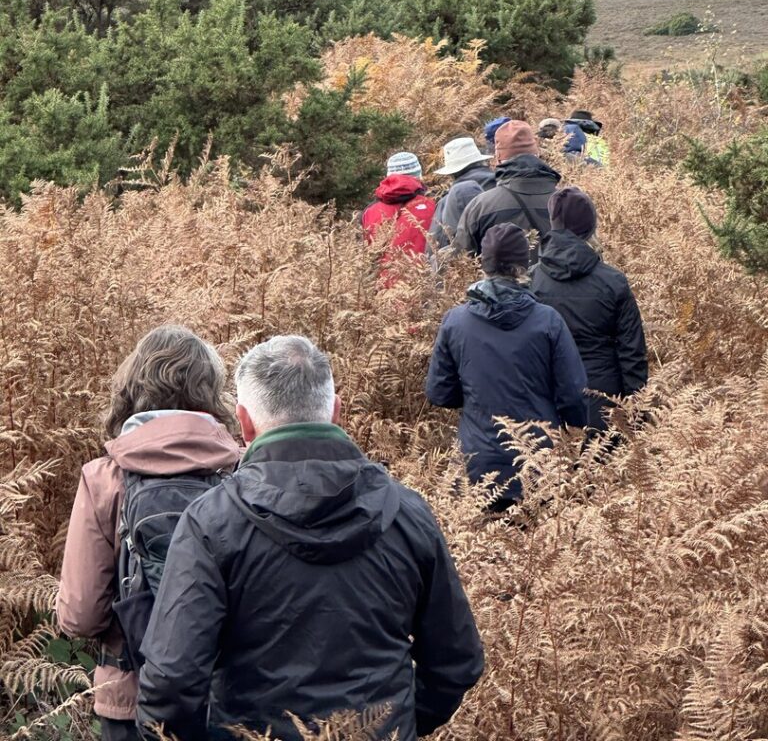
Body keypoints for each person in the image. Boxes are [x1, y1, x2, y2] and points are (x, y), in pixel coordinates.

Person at [137, 335, 483, 741]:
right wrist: (394, 724)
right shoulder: (408, 514)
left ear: (244, 421)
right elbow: (456, 661)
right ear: (336, 412)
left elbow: (172, 681)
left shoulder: (211, 522)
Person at [56, 326, 240, 741]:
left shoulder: (104, 477)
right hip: (226, 697)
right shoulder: (240, 471)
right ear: (211, 391)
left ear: (132, 387)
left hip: (131, 700)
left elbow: (80, 615)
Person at [426, 224, 588, 511]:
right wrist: (575, 445)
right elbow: (573, 395)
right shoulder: (548, 320)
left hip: (477, 466)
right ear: (523, 265)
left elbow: (440, 393)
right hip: (539, 464)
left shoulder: (455, 321)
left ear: (483, 264)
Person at [531, 187, 648, 429]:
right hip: (604, 403)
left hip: (547, 402)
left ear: (553, 224)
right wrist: (636, 413)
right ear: (591, 226)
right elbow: (632, 353)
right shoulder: (613, 281)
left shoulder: (532, 281)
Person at [453, 120, 561, 262]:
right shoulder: (568, 201)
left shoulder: (481, 206)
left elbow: (461, 261)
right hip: (558, 283)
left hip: (505, 282)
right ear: (537, 153)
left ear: (498, 158)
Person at [361, 151, 435, 263]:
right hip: (423, 277)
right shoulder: (432, 206)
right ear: (419, 176)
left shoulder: (369, 211)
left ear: (388, 178)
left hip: (382, 278)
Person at [429, 136, 494, 250]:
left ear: (452, 173)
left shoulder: (445, 203)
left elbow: (436, 245)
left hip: (468, 265)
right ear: (481, 161)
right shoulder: (503, 186)